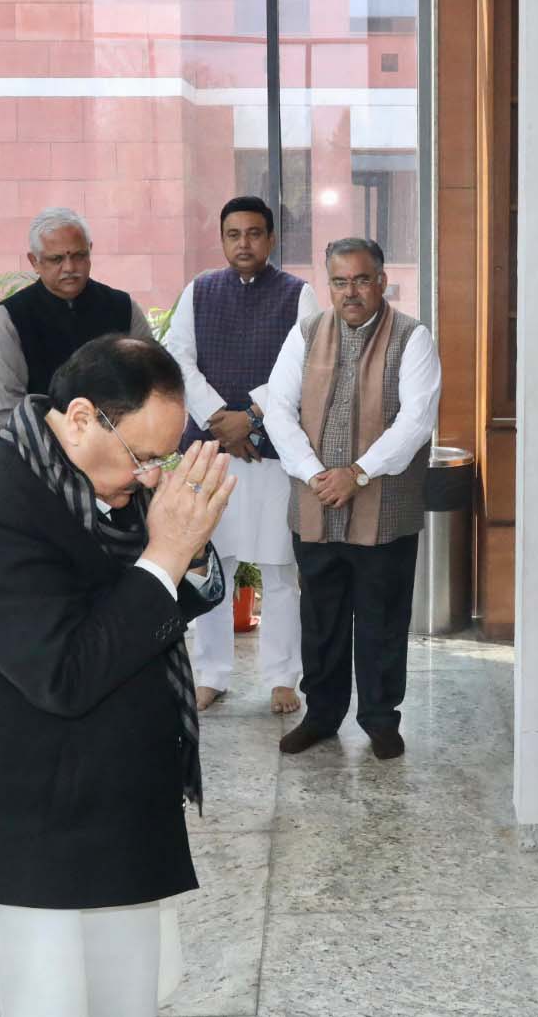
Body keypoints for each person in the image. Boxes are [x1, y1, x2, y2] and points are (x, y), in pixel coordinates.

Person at [0, 335, 233, 1017]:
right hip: (22, 835)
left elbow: (152, 592)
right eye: (144, 456)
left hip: (111, 811)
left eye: (163, 460)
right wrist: (167, 554)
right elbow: (64, 671)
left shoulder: (93, 477)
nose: (151, 477)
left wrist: (189, 552)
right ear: (81, 417)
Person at [263, 238, 441, 759]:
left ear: (382, 281)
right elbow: (278, 408)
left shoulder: (413, 338)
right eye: (339, 282)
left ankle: (382, 721)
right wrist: (319, 474)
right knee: (321, 616)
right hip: (317, 505)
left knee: (382, 617)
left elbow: (415, 421)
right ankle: (321, 716)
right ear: (328, 285)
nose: (351, 291)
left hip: (384, 508)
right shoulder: (306, 332)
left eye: (362, 279)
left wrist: (357, 474)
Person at [165, 196, 316, 714]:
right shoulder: (200, 290)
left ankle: (282, 678)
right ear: (223, 239)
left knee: (279, 570)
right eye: (234, 234)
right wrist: (217, 420)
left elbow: (304, 367)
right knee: (212, 565)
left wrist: (249, 416)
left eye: (254, 233)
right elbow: (177, 356)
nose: (244, 243)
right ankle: (211, 674)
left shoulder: (300, 294)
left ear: (271, 240)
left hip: (273, 451)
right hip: (212, 450)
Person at [0, 207, 155, 432]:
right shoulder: (11, 318)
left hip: (117, 450)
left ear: (90, 252)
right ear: (34, 261)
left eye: (79, 256)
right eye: (56, 259)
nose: (69, 268)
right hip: (42, 453)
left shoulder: (122, 307)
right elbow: (9, 410)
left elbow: (152, 381)